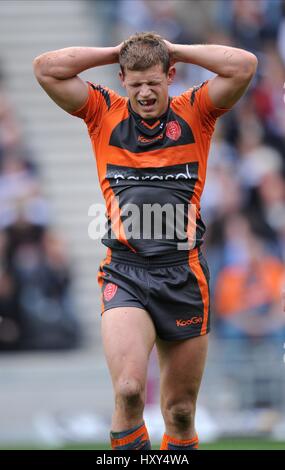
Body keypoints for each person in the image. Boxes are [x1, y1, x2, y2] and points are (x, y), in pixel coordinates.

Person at [33, 32, 257, 450]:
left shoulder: (196, 112)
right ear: (122, 80)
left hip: (183, 275)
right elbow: (46, 68)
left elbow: (243, 65)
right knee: (131, 389)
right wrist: (114, 52)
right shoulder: (103, 112)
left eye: (154, 81)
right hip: (126, 271)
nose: (146, 92)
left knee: (180, 411)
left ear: (171, 75)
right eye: (135, 84)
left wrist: (175, 48)